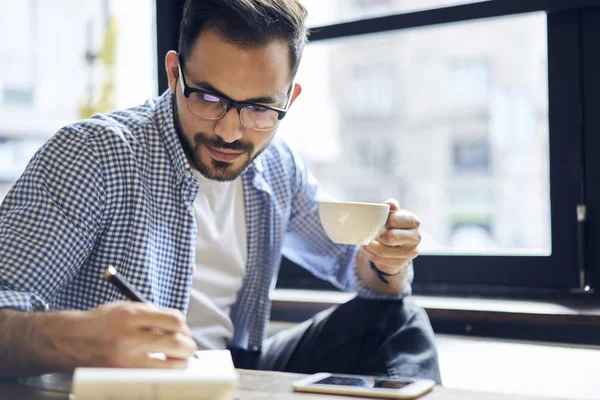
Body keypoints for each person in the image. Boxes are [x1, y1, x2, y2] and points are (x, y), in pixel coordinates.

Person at [0, 0, 440, 383]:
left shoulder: (278, 165)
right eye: (209, 99)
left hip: (237, 370)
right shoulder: (94, 155)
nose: (230, 131)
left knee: (397, 321)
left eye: (259, 108)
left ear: (290, 98)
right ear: (174, 73)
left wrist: (387, 260)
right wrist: (80, 340)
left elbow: (356, 268)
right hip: (129, 384)